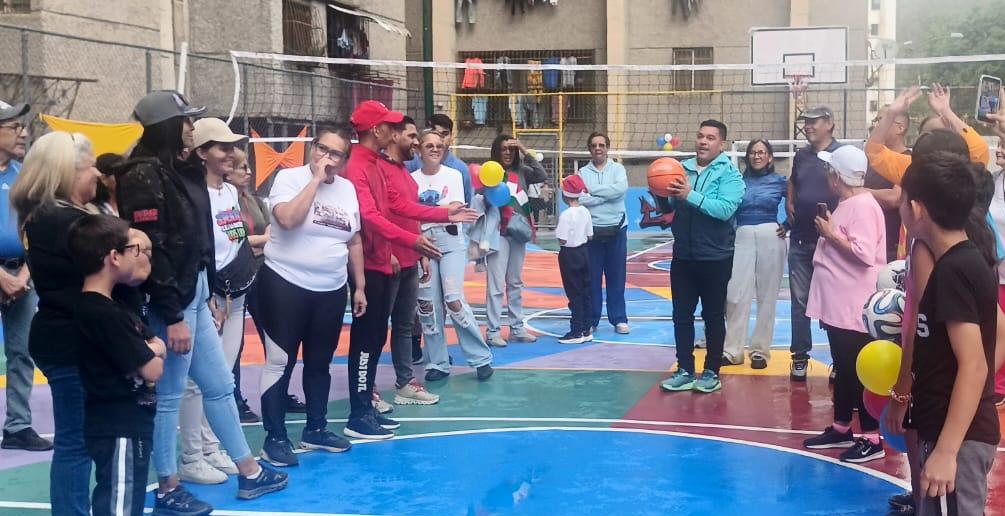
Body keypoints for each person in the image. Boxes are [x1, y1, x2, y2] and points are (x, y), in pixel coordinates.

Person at [117, 90, 286, 512]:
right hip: (172, 300)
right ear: (169, 127)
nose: (191, 128)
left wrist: (206, 289)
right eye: (186, 121)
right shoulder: (143, 175)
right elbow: (153, 248)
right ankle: (169, 487)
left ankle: (249, 472)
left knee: (219, 385)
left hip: (192, 292)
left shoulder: (173, 169)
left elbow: (196, 239)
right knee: (171, 393)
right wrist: (172, 314)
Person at [343, 101, 477, 440]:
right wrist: (411, 242)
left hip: (383, 259)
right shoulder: (358, 165)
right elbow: (370, 216)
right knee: (367, 339)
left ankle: (365, 408)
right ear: (377, 130)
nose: (395, 132)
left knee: (378, 335)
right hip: (371, 263)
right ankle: (359, 412)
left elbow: (398, 205)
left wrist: (444, 213)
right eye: (390, 126)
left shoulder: (376, 163)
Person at [255, 124, 364, 466]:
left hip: (330, 289)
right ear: (312, 148)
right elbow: (287, 220)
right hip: (284, 284)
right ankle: (275, 437)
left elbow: (353, 239)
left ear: (345, 160)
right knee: (280, 361)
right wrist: (315, 180)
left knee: (320, 362)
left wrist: (359, 285)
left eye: (335, 154)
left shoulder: (347, 189)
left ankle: (316, 428)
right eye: (322, 149)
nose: (326, 157)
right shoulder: (289, 179)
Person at [897, 152, 999, 515]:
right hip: (947, 430)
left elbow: (974, 365)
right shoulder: (960, 263)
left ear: (916, 209)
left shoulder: (954, 271)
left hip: (957, 439)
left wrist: (947, 450)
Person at [11, 131, 100, 515]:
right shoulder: (63, 220)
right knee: (76, 442)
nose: (98, 174)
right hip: (71, 339)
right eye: (90, 166)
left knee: (76, 440)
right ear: (67, 172)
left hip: (62, 334)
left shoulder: (44, 216)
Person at [68, 215, 164, 516]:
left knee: (123, 499)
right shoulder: (103, 314)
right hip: (119, 424)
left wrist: (151, 350)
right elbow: (153, 368)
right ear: (114, 257)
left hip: (122, 423)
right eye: (132, 250)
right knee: (119, 503)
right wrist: (152, 351)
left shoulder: (112, 307)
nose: (138, 257)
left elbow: (154, 346)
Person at [174, 118, 251, 484]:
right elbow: (200, 250)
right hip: (208, 295)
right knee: (195, 381)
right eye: (222, 147)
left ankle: (211, 446)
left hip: (234, 294)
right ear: (202, 153)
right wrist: (209, 295)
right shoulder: (192, 193)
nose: (231, 154)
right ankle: (191, 455)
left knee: (221, 377)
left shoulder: (229, 192)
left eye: (232, 146)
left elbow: (233, 240)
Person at [801, 145, 887, 464]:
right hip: (840, 302)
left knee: (856, 370)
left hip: (852, 304)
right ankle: (841, 427)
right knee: (843, 366)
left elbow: (863, 254)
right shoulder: (850, 203)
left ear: (836, 177)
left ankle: (871, 437)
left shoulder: (862, 206)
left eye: (829, 171)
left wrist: (829, 234)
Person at [658, 120, 745, 394]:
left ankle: (711, 372)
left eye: (710, 137)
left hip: (716, 258)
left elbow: (724, 210)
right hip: (683, 255)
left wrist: (690, 195)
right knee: (681, 315)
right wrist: (660, 193)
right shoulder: (679, 168)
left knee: (713, 316)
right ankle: (684, 369)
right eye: (700, 136)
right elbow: (670, 207)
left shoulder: (731, 175)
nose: (703, 141)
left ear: (721, 144)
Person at [412, 130, 494, 381]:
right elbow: (409, 214)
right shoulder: (411, 179)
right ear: (419, 149)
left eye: (439, 145)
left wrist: (424, 210)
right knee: (427, 306)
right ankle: (437, 362)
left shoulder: (454, 175)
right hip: (423, 243)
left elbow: (455, 209)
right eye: (429, 145)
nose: (435, 149)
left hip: (451, 241)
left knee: (453, 298)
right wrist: (437, 210)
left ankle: (481, 357)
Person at [384, 117, 446, 406]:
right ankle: (366, 390)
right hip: (386, 262)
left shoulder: (405, 174)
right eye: (412, 136)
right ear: (394, 136)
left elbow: (410, 215)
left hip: (409, 257)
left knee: (405, 325)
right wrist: (387, 252)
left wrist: (420, 252)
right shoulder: (378, 170)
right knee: (374, 330)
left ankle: (405, 383)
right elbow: (374, 216)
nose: (416, 143)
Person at [0, 100, 49, 453]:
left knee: (22, 351)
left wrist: (23, 275)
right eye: (14, 126)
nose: (23, 133)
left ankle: (17, 426)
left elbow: (39, 229)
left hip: (22, 274)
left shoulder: (25, 177)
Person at [786, 105, 841, 381]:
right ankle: (800, 357)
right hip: (800, 239)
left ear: (829, 123)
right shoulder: (801, 156)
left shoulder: (841, 155)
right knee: (799, 303)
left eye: (813, 121)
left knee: (834, 303)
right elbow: (793, 181)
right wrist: (789, 201)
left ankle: (839, 360)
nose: (807, 126)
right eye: (805, 121)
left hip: (831, 243)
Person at [723, 139, 787, 369]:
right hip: (741, 236)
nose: (757, 156)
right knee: (735, 294)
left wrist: (788, 225)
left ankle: (760, 351)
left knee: (767, 296)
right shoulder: (737, 182)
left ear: (770, 157)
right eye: (753, 152)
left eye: (761, 152)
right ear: (747, 156)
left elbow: (799, 203)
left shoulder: (780, 181)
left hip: (772, 235)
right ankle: (733, 351)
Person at [484, 134, 547, 347]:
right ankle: (493, 331)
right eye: (504, 149)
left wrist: (523, 148)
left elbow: (541, 174)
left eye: (511, 149)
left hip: (518, 233)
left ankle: (517, 328)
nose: (508, 153)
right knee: (495, 285)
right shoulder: (490, 171)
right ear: (496, 151)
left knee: (515, 282)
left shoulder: (522, 171)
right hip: (497, 234)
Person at [225, 147, 271, 423]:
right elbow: (234, 241)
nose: (249, 171)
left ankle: (277, 392)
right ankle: (234, 398)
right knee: (235, 342)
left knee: (273, 334)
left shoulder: (254, 200)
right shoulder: (223, 202)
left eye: (249, 166)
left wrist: (253, 243)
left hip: (262, 274)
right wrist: (260, 241)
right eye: (243, 167)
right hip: (236, 277)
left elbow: (272, 233)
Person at [577, 132, 629, 335]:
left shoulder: (618, 169)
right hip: (592, 233)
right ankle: (592, 319)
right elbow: (580, 198)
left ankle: (619, 319)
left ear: (607, 148)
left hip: (617, 229)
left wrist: (593, 191)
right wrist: (608, 194)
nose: (598, 148)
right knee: (592, 278)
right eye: (594, 145)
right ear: (589, 149)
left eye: (601, 145)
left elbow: (621, 190)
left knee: (617, 277)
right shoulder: (582, 172)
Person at [554, 174, 594, 344]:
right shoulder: (585, 211)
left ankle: (576, 331)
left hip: (569, 255)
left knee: (574, 293)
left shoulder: (566, 215)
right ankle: (586, 328)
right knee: (586, 291)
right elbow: (590, 235)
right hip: (584, 251)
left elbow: (562, 239)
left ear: (565, 194)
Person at [865, 106, 907, 262]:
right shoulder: (872, 160)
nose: (877, 125)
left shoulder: (909, 160)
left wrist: (859, 192)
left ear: (900, 128)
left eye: (882, 120)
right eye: (877, 120)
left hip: (891, 247)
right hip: (867, 243)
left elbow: (894, 198)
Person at [405, 113, 473, 204]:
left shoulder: (460, 170)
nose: (440, 138)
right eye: (435, 133)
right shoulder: (411, 164)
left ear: (452, 136)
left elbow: (464, 205)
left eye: (444, 134)